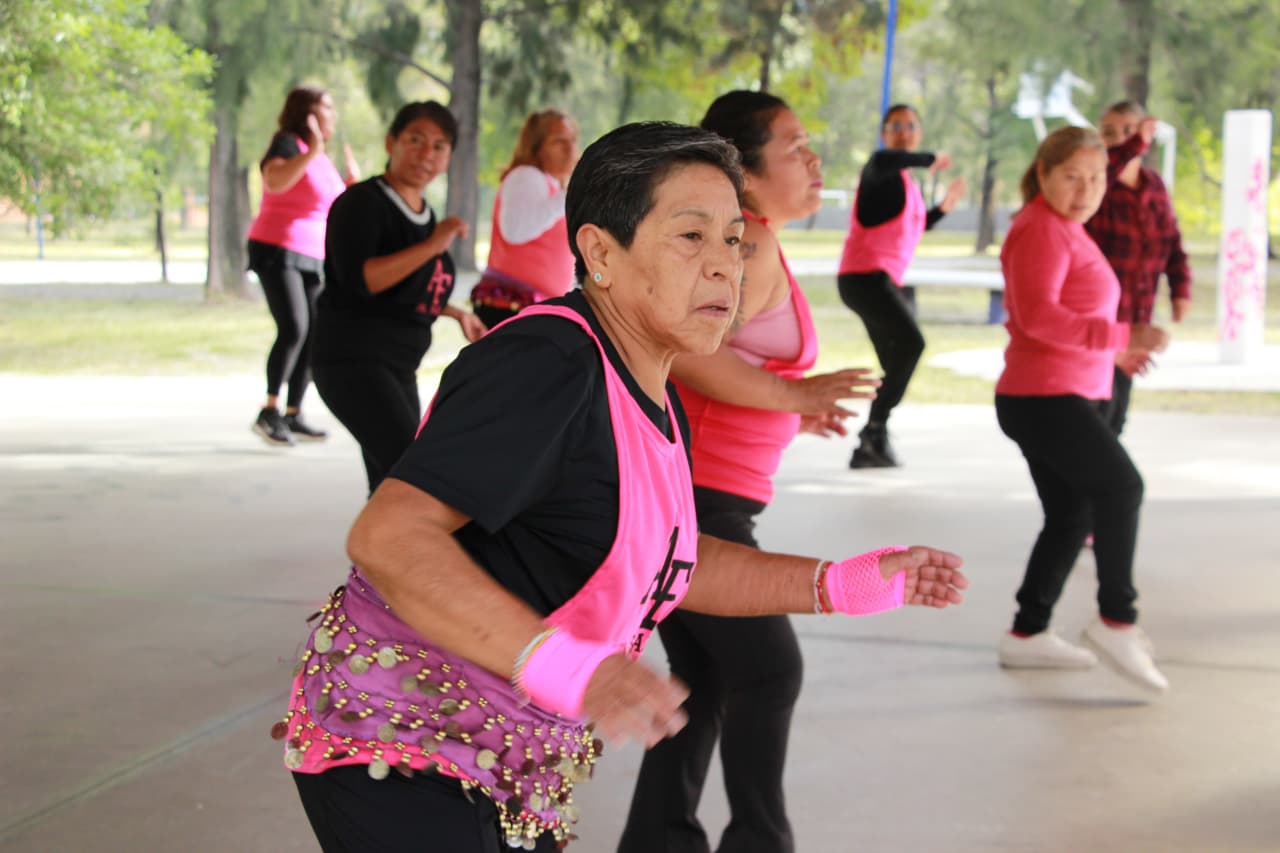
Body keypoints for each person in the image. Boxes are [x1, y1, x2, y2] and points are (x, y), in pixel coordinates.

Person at [274, 121, 968, 853]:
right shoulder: (548, 361)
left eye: (734, 240)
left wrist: (845, 582)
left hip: (497, 760)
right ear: (601, 251)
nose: (724, 268)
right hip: (405, 746)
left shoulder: (653, 391)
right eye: (690, 237)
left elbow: (673, 560)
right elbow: (387, 535)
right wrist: (574, 667)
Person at [619, 91, 878, 853]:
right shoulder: (752, 246)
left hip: (706, 495)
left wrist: (789, 411)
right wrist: (793, 392)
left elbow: (725, 365)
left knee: (703, 686)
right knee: (768, 670)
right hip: (697, 502)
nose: (812, 158)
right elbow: (691, 352)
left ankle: (656, 842)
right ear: (747, 169)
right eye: (794, 146)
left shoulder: (756, 245)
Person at [994, 125, 1170, 693]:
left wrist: (1115, 352)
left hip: (1060, 393)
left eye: (1096, 178)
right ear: (1043, 174)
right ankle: (1118, 618)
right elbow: (1037, 317)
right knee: (1121, 489)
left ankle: (1028, 634)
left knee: (1072, 515)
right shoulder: (1041, 229)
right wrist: (1123, 333)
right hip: (1044, 397)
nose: (1086, 189)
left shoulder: (1067, 230)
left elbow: (1066, 319)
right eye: (1072, 176)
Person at [310, 101, 486, 494]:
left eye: (439, 146)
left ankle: (374, 557)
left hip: (396, 366)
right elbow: (363, 280)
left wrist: (455, 313)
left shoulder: (425, 213)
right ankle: (390, 555)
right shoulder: (362, 203)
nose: (427, 154)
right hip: (353, 362)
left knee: (390, 483)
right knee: (413, 478)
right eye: (416, 140)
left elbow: (404, 289)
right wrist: (434, 244)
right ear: (392, 142)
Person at [836, 104, 965, 468]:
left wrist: (944, 209)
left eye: (911, 126)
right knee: (912, 344)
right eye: (896, 125)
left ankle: (872, 441)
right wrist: (932, 159)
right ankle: (874, 431)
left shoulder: (905, 185)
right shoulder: (880, 168)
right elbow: (886, 160)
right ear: (884, 133)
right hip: (865, 278)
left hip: (875, 281)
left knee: (895, 359)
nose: (904, 131)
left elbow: (913, 227)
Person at [246, 85, 360, 446]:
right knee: (294, 327)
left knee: (315, 333)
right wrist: (311, 151)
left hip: (314, 255)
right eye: (327, 106)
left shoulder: (321, 157)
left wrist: (353, 187)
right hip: (277, 248)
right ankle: (269, 411)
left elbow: (331, 204)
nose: (333, 113)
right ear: (307, 111)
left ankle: (294, 413)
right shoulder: (289, 144)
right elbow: (276, 181)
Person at [1086, 100, 1192, 436]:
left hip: (1136, 319)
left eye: (1129, 131)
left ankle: (1100, 484)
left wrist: (1180, 289)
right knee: (1093, 417)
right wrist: (1135, 143)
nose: (1120, 140)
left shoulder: (1154, 185)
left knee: (1116, 416)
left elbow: (1172, 241)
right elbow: (1109, 166)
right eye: (1110, 133)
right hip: (1098, 323)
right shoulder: (1095, 186)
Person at [470, 109, 580, 327]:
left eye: (572, 140)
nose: (570, 149)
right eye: (559, 141)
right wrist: (571, 196)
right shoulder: (527, 176)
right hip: (513, 306)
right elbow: (516, 230)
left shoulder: (549, 185)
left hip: (529, 309)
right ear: (536, 146)